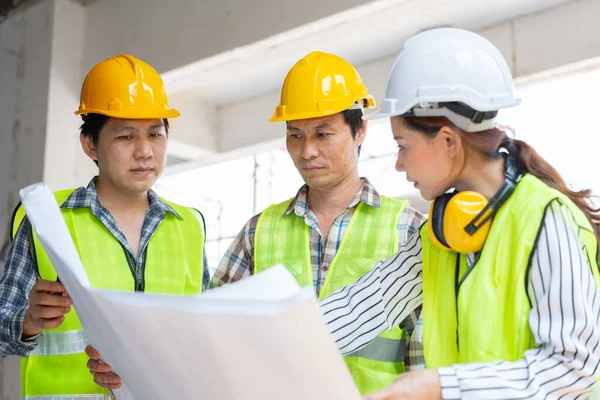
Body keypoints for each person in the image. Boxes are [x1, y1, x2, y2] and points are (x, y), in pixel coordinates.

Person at [320, 28, 600, 399]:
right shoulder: (445, 230)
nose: (400, 164)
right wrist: (277, 341)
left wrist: (439, 387)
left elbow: (573, 369)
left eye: (403, 145)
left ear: (449, 141)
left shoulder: (546, 220)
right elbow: (366, 304)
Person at [210, 51, 425, 395]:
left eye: (322, 134)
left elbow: (425, 361)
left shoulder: (410, 231)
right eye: (295, 135)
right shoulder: (257, 233)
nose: (307, 151)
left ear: (360, 132)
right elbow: (214, 340)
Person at [0, 54, 209, 399]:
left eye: (155, 134)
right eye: (126, 137)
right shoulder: (45, 220)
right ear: (90, 144)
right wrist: (30, 319)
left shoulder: (189, 227)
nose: (145, 151)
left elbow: (204, 337)